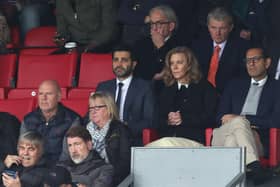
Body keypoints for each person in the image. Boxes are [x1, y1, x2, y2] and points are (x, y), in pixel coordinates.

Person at [211, 46, 280, 185]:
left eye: (255, 59)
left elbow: (276, 121)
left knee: (233, 139)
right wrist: (240, 121)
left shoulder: (276, 87)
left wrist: (243, 119)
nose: (251, 64)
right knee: (237, 125)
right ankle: (255, 166)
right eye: (248, 60)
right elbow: (219, 116)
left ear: (267, 63)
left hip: (257, 140)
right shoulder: (234, 85)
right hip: (222, 134)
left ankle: (235, 177)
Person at [96, 44, 157, 146]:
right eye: (116, 60)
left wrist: (124, 128)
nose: (119, 64)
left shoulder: (145, 87)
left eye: (124, 60)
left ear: (133, 64)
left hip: (130, 140)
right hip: (103, 140)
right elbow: (90, 116)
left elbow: (150, 121)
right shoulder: (103, 87)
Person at [158, 46, 219, 144]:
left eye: (179, 63)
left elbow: (211, 118)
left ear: (189, 65)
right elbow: (156, 119)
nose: (175, 67)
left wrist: (184, 119)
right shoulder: (166, 89)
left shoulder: (205, 87)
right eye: (172, 63)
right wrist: (168, 121)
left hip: (193, 140)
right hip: (168, 138)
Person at [20, 80, 81, 166]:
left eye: (48, 94)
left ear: (59, 97)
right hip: (33, 167)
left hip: (59, 169)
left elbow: (66, 156)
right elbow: (22, 149)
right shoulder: (28, 120)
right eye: (40, 94)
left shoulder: (72, 120)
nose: (43, 98)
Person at [191, 7, 249, 93]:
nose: (217, 33)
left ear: (230, 28)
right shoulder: (197, 45)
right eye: (213, 28)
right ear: (208, 26)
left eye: (222, 28)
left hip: (227, 94)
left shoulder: (242, 48)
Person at [85, 92, 130, 185]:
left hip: (111, 178)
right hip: (86, 175)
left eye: (97, 108)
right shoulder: (84, 130)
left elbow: (125, 163)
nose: (93, 111)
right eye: (91, 108)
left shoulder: (120, 130)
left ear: (109, 109)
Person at [133, 5, 179, 93]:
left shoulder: (180, 45)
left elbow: (173, 73)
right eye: (152, 23)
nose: (154, 28)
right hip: (143, 91)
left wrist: (161, 47)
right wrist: (154, 76)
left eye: (159, 23)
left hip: (169, 92)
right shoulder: (141, 43)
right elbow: (138, 73)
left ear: (171, 26)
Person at [55, 0, 119, 52]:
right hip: (75, 46)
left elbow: (109, 30)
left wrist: (86, 48)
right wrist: (61, 39)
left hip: (101, 46)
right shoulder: (61, 2)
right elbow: (62, 28)